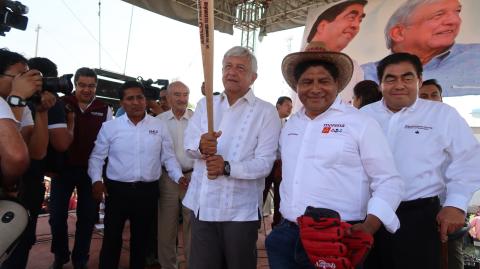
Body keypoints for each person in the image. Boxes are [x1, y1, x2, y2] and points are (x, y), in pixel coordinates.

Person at [265, 41, 404, 269]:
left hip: (336, 238)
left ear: (337, 84)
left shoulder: (360, 123)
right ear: (296, 86)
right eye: (307, 82)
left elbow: (389, 181)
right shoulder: (291, 125)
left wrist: (370, 225)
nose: (315, 88)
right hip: (286, 236)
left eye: (324, 81)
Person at [361, 52, 480, 269]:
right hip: (367, 216)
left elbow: (469, 160)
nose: (399, 85)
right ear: (380, 84)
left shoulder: (442, 115)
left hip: (418, 217)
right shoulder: (364, 115)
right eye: (390, 78)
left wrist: (456, 203)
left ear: (419, 81)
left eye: (407, 78)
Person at [183, 46, 281, 269]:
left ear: (253, 77)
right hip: (202, 205)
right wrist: (201, 146)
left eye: (240, 68)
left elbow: (265, 163)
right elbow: (188, 146)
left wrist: (227, 167)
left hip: (240, 211)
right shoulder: (205, 104)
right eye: (228, 66)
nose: (232, 72)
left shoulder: (266, 112)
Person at [88, 80, 185, 269]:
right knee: (112, 239)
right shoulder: (110, 128)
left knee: (141, 242)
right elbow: (96, 158)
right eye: (130, 98)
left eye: (139, 97)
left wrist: (178, 176)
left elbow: (168, 157)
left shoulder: (158, 126)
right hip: (117, 192)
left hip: (147, 193)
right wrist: (96, 181)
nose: (136, 102)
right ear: (122, 103)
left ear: (145, 100)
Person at [1, 57, 74, 269]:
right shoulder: (10, 102)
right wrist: (15, 99)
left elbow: (37, 151)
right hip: (11, 189)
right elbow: (14, 155)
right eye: (19, 77)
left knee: (20, 244)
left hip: (25, 186)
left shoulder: (22, 106)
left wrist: (41, 111)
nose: (29, 82)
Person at [48, 67, 113, 269]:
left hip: (90, 172)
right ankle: (60, 255)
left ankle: (80, 259)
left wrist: (102, 178)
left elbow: (109, 144)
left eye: (91, 85)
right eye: (82, 85)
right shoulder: (61, 103)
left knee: (86, 219)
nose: (87, 89)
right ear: (75, 84)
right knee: (56, 217)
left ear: (96, 86)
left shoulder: (105, 108)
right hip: (63, 169)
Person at [362, 0, 480, 97]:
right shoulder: (364, 74)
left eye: (457, 12)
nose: (455, 21)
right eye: (438, 15)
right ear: (399, 33)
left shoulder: (476, 55)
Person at [295, 0, 367, 107]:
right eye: (351, 17)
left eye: (359, 20)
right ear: (322, 26)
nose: (356, 26)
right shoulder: (295, 121)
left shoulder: (354, 67)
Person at [156, 81, 194, 269]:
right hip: (167, 179)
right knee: (166, 227)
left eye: (185, 94)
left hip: (192, 177)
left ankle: (192, 264)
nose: (182, 99)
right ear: (168, 98)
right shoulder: (159, 121)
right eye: (177, 94)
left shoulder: (197, 120)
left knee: (192, 226)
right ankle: (168, 266)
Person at [262, 96, 292, 227]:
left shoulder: (288, 123)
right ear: (278, 106)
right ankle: (254, 225)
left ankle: (277, 225)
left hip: (280, 166)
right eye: (287, 106)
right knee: (262, 193)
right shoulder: (267, 120)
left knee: (280, 196)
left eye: (291, 107)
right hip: (267, 163)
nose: (290, 109)